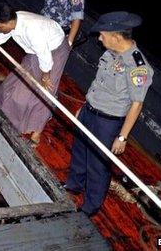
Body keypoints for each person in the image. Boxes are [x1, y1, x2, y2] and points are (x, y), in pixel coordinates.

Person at [65, 12, 153, 216]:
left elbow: (137, 104)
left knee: (98, 164)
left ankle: (90, 205)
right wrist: (84, 107)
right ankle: (73, 184)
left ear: (116, 36)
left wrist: (122, 137)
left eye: (103, 34)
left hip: (108, 123)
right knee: (79, 150)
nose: (99, 38)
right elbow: (99, 83)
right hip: (90, 111)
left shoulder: (137, 67)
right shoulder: (110, 53)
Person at [0, 4, 70, 146]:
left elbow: (45, 57)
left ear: (9, 22)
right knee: (14, 84)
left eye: (0, 27)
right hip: (35, 51)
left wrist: (45, 76)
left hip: (54, 50)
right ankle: (5, 112)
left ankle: (37, 132)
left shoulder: (32, 30)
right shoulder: (11, 23)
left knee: (44, 92)